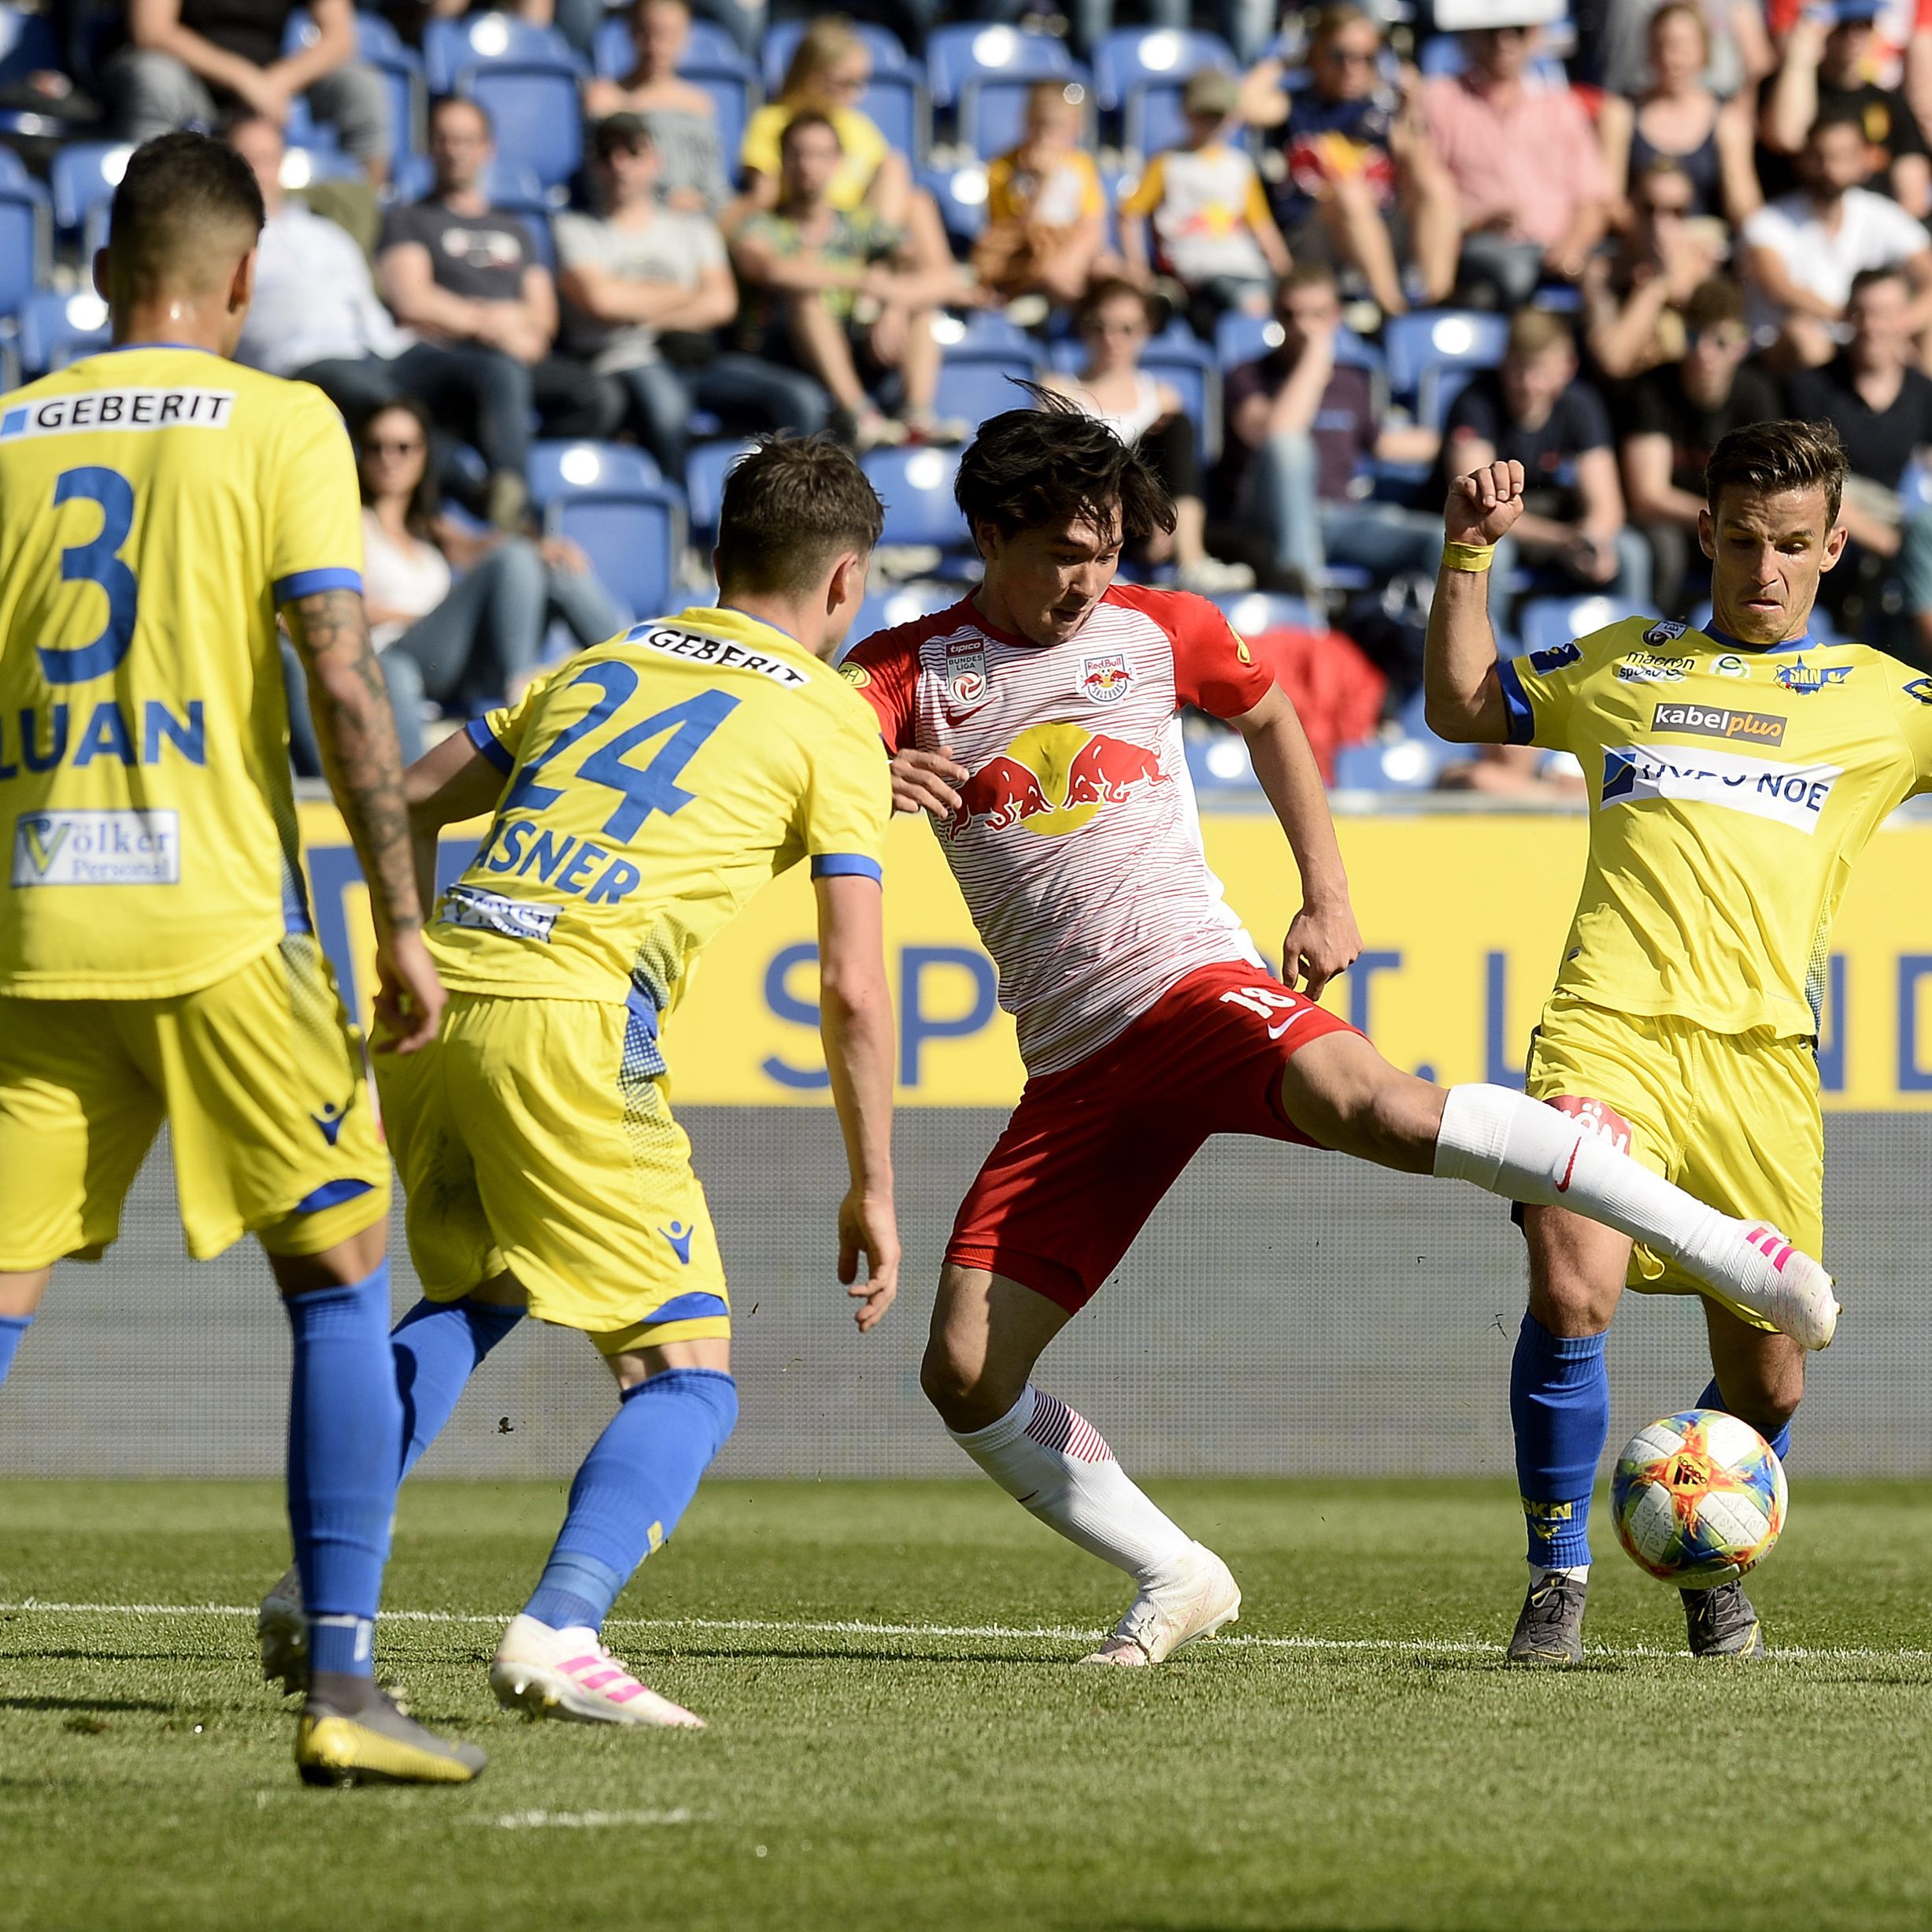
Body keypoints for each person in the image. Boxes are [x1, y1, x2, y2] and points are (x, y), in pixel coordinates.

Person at [838, 399, 1836, 1666]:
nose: (1086, 582)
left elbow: (1265, 716)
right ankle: (1177, 1572)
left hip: (1194, 986)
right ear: (987, 535)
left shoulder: (1160, 629)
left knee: (1384, 1105)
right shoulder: (910, 669)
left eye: (1103, 551)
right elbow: (795, 750)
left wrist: (1327, 889)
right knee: (965, 1369)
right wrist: (860, 772)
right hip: (1076, 1062)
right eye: (1059, 556)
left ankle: (1719, 1247)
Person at [257, 436, 899, 1729]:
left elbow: (400, 791)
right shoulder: (833, 715)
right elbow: (851, 988)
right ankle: (561, 1623)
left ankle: (315, 1582)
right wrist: (873, 1182)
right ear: (844, 585)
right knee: (684, 1370)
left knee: (476, 1288)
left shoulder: (608, 657)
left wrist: (409, 933)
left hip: (444, 995)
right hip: (576, 1016)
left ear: (718, 556)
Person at [0, 133, 476, 1784]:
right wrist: (401, 915)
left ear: (102, 265)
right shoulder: (284, 420)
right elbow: (345, 685)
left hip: (37, 920)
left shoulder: (4, 432)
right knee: (343, 1279)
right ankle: (343, 1692)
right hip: (222, 933)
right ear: (247, 275)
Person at [1423, 418, 1932, 1663]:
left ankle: (1704, 1519)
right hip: (1607, 1033)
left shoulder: (1881, 698)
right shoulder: (1620, 663)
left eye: (1793, 547)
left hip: (1762, 1061)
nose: (1765, 569)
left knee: (1771, 1382)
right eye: (1744, 541)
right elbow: (1457, 706)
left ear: (1829, 551)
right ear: (1703, 532)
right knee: (1569, 1282)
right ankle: (1557, 1573)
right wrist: (1465, 557)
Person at [378, 95, 623, 529]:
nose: (455, 150)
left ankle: (496, 454)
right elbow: (412, 300)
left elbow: (544, 317)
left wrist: (516, 334)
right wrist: (492, 327)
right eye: (444, 139)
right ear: (430, 147)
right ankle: (517, 514)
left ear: (487, 148)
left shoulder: (515, 228)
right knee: (502, 373)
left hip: (511, 355)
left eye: (466, 140)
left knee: (600, 397)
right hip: (442, 357)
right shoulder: (408, 219)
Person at [557, 115, 828, 476]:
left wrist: (639, 308)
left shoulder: (692, 228)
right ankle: (680, 516)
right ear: (593, 165)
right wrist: (684, 295)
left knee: (801, 397)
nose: (620, 164)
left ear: (656, 161)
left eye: (632, 152)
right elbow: (601, 301)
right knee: (670, 411)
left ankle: (795, 508)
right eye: (607, 154)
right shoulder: (575, 228)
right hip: (623, 360)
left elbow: (721, 303)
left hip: (698, 359)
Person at [731, 113, 962, 450]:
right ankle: (861, 416)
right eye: (798, 153)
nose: (808, 165)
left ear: (838, 162)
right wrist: (863, 279)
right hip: (781, 351)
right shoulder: (762, 226)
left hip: (856, 343)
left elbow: (934, 273)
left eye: (820, 154)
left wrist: (895, 303)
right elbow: (772, 270)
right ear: (783, 160)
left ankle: (917, 416)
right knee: (805, 298)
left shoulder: (859, 225)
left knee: (919, 304)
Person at [1221, 262, 1442, 594]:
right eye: (1291, 314)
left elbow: (1383, 443)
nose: (1303, 325)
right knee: (1289, 448)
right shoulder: (1248, 375)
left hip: (1339, 516)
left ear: (1336, 316)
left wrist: (1461, 441)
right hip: (1265, 517)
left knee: (1441, 541)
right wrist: (1315, 360)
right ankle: (1307, 608)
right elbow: (1274, 433)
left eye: (1317, 314)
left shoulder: (1352, 381)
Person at [1242, 3, 1460, 316]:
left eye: (1367, 58)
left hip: (1381, 230)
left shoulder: (1384, 109)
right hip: (1313, 237)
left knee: (1437, 184)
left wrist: (1413, 113)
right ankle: (1392, 310)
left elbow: (1422, 173)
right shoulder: (1298, 106)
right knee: (1351, 192)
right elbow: (1245, 104)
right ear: (1315, 54)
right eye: (1338, 56)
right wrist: (1287, 62)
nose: (1352, 68)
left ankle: (1437, 301)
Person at [1043, 280, 1253, 594]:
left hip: (1147, 523)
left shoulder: (1162, 397)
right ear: (1084, 328)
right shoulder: (1059, 391)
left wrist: (1163, 518)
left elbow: (1175, 470)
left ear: (1145, 331)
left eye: (1126, 329)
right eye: (1100, 327)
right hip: (1085, 515)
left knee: (1258, 550)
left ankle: (1190, 558)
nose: (1111, 339)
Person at [1441, 307, 1651, 609]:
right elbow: (1479, 508)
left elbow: (1607, 503)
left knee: (1629, 550)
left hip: (1552, 520)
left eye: (1540, 371)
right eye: (1519, 369)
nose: (1528, 383)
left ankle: (1638, 648)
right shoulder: (1475, 402)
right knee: (1494, 554)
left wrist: (1589, 537)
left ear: (1567, 368)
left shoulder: (1581, 405)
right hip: (1498, 526)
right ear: (1504, 363)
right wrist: (1563, 540)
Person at [1786, 265, 1932, 657]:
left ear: (1904, 319)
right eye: (1862, 313)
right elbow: (1810, 486)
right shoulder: (1812, 388)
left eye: (1883, 313)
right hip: (1839, 520)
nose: (1871, 326)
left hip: (1906, 518)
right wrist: (1893, 542)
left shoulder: (1923, 393)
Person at [1423, 24, 1614, 309]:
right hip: (1485, 250)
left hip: (1558, 248)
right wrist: (1478, 224)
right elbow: (1425, 198)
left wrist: (1572, 246)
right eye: (1492, 31)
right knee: (1514, 275)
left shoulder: (1561, 106)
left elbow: (1594, 199)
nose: (1505, 42)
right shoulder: (1442, 100)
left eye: (1518, 31)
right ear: (1470, 35)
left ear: (1535, 35)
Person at [1621, 276, 1779, 614]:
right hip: (1676, 524)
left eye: (1720, 342)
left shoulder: (1756, 394)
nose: (1704, 352)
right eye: (1694, 336)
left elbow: (1769, 485)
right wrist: (1726, 520)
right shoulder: (1654, 390)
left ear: (1741, 344)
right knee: (1665, 549)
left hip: (1726, 519)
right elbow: (1649, 497)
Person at [107, 0, 390, 181]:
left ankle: (367, 220)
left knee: (362, 86)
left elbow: (340, 37)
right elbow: (151, 30)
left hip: (271, 82)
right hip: (190, 77)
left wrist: (279, 81)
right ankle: (144, 212)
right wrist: (243, 78)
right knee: (155, 77)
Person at [1739, 104, 1932, 369]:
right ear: (1803, 159)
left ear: (1862, 158)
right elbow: (1777, 285)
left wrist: (1896, 324)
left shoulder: (1879, 214)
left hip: (1864, 345)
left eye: (1842, 156)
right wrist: (1853, 318)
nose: (1830, 168)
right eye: (1820, 157)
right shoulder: (1769, 222)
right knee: (1805, 335)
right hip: (1787, 360)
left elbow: (1928, 274)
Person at [1120, 69, 1292, 337]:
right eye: (1204, 114)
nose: (1211, 123)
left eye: (1219, 115)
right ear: (1186, 113)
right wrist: (1138, 269)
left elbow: (1261, 224)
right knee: (1247, 302)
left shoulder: (1239, 166)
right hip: (1194, 268)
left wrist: (1286, 271)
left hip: (1242, 262)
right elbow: (1130, 214)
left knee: (1280, 297)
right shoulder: (1167, 162)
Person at [1597, 3, 1762, 230]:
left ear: (1704, 50)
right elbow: (1609, 201)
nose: (1671, 57)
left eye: (1682, 46)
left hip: (1705, 245)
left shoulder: (1728, 120)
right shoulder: (1620, 113)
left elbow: (1743, 204)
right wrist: (1658, 235)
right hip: (1639, 244)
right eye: (1662, 45)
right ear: (1649, 50)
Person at [1762, 0, 1931, 218]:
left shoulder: (1890, 104)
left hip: (1875, 235)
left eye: (1865, 24)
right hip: (1799, 230)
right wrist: (1801, 55)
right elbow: (1787, 136)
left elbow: (1914, 195)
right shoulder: (1786, 90)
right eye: (1842, 26)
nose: (1853, 36)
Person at [1582, 157, 1729, 384]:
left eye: (1676, 212)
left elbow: (1718, 356)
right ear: (1630, 208)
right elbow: (1612, 360)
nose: (1661, 225)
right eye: (1649, 210)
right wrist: (1658, 283)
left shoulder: (1705, 261)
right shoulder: (1604, 271)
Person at [972, 80, 1114, 314]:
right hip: (1026, 254)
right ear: (1025, 122)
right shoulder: (1002, 168)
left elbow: (1093, 226)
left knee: (1106, 268)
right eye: (1038, 125)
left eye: (1057, 127)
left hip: (1072, 246)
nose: (1045, 136)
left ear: (1076, 127)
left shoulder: (1081, 165)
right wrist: (1042, 183)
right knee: (1051, 274)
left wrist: (1071, 259)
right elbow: (1014, 232)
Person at [583, 0, 733, 215]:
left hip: (695, 221)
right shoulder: (603, 99)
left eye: (668, 34)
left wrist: (700, 202)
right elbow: (598, 178)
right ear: (631, 31)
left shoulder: (700, 104)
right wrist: (660, 203)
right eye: (646, 32)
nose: (655, 46)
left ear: (686, 35)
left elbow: (715, 186)